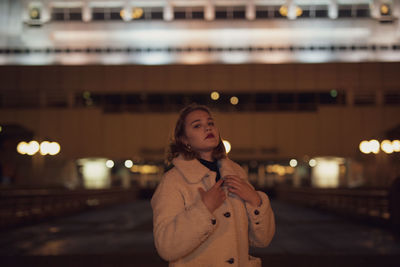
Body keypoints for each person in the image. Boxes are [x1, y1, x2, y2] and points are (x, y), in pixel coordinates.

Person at [151, 104, 275, 266]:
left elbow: (262, 240)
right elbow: (166, 247)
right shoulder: (173, 181)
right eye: (197, 125)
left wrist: (255, 200)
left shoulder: (235, 172)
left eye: (210, 123)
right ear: (184, 139)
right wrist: (204, 208)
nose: (208, 128)